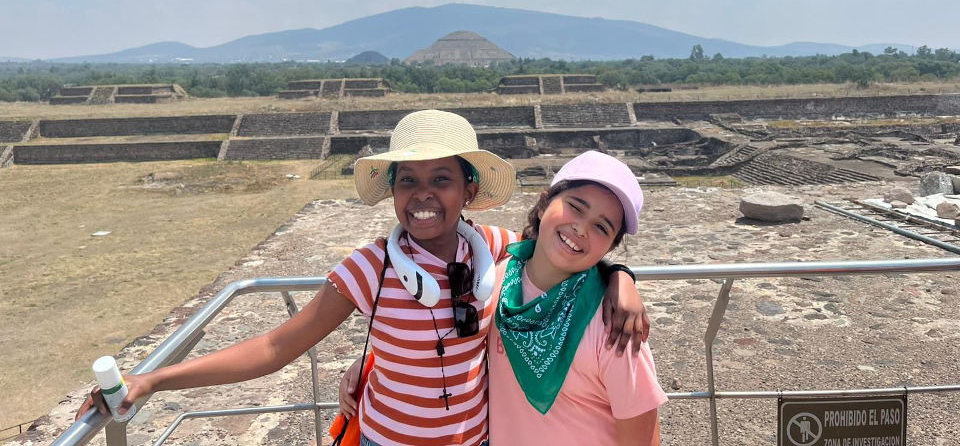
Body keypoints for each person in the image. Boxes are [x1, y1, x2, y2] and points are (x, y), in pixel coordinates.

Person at [77, 110, 648, 446]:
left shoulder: (496, 250)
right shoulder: (367, 269)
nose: (424, 195)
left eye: (442, 179)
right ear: (393, 190)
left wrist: (620, 276)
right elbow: (277, 346)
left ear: (469, 189)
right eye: (408, 181)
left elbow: (569, 251)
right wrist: (154, 380)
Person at [487, 150, 667, 445]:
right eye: (575, 207)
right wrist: (619, 273)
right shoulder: (494, 283)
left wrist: (619, 276)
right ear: (544, 204)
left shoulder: (615, 325)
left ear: (609, 247)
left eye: (601, 227)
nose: (581, 228)